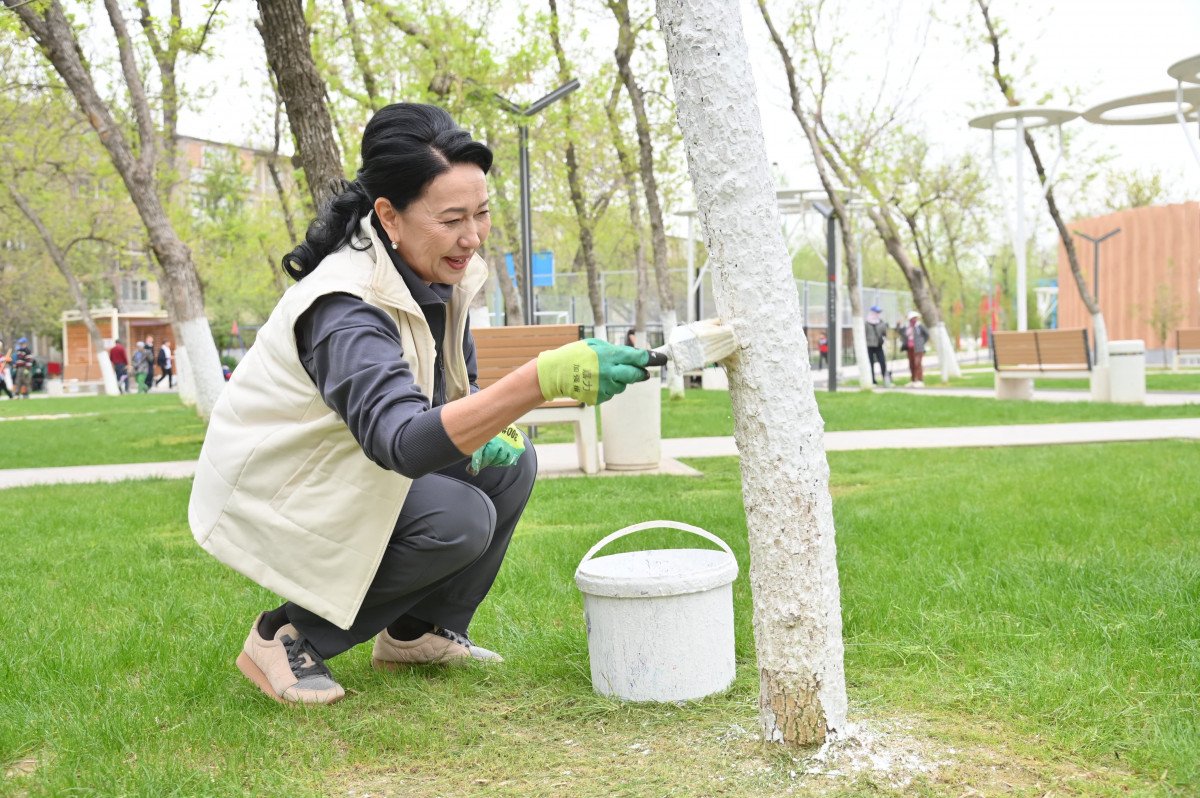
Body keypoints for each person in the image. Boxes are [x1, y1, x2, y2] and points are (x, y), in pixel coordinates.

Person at [188, 103, 653, 706]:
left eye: (481, 213)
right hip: (287, 483)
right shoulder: (344, 307)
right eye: (452, 218)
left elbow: (449, 393)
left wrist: (492, 412)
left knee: (510, 464)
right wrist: (536, 382)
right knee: (457, 519)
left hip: (351, 461)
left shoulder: (436, 271)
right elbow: (402, 444)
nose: (472, 236)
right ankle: (286, 635)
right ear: (389, 216)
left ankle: (416, 634)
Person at [865, 305, 890, 387]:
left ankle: (886, 380)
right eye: (877, 312)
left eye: (879, 312)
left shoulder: (881, 323)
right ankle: (872, 380)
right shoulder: (866, 323)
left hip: (879, 345)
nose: (878, 314)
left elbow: (884, 334)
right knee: (870, 364)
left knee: (883, 363)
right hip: (869, 346)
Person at [902, 310, 929, 387]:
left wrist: (921, 342)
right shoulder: (907, 327)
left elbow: (927, 335)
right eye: (912, 318)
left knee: (918, 363)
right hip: (910, 348)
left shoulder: (920, 326)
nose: (914, 319)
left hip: (918, 348)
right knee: (911, 364)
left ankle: (920, 380)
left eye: (915, 318)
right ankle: (913, 380)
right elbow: (904, 335)